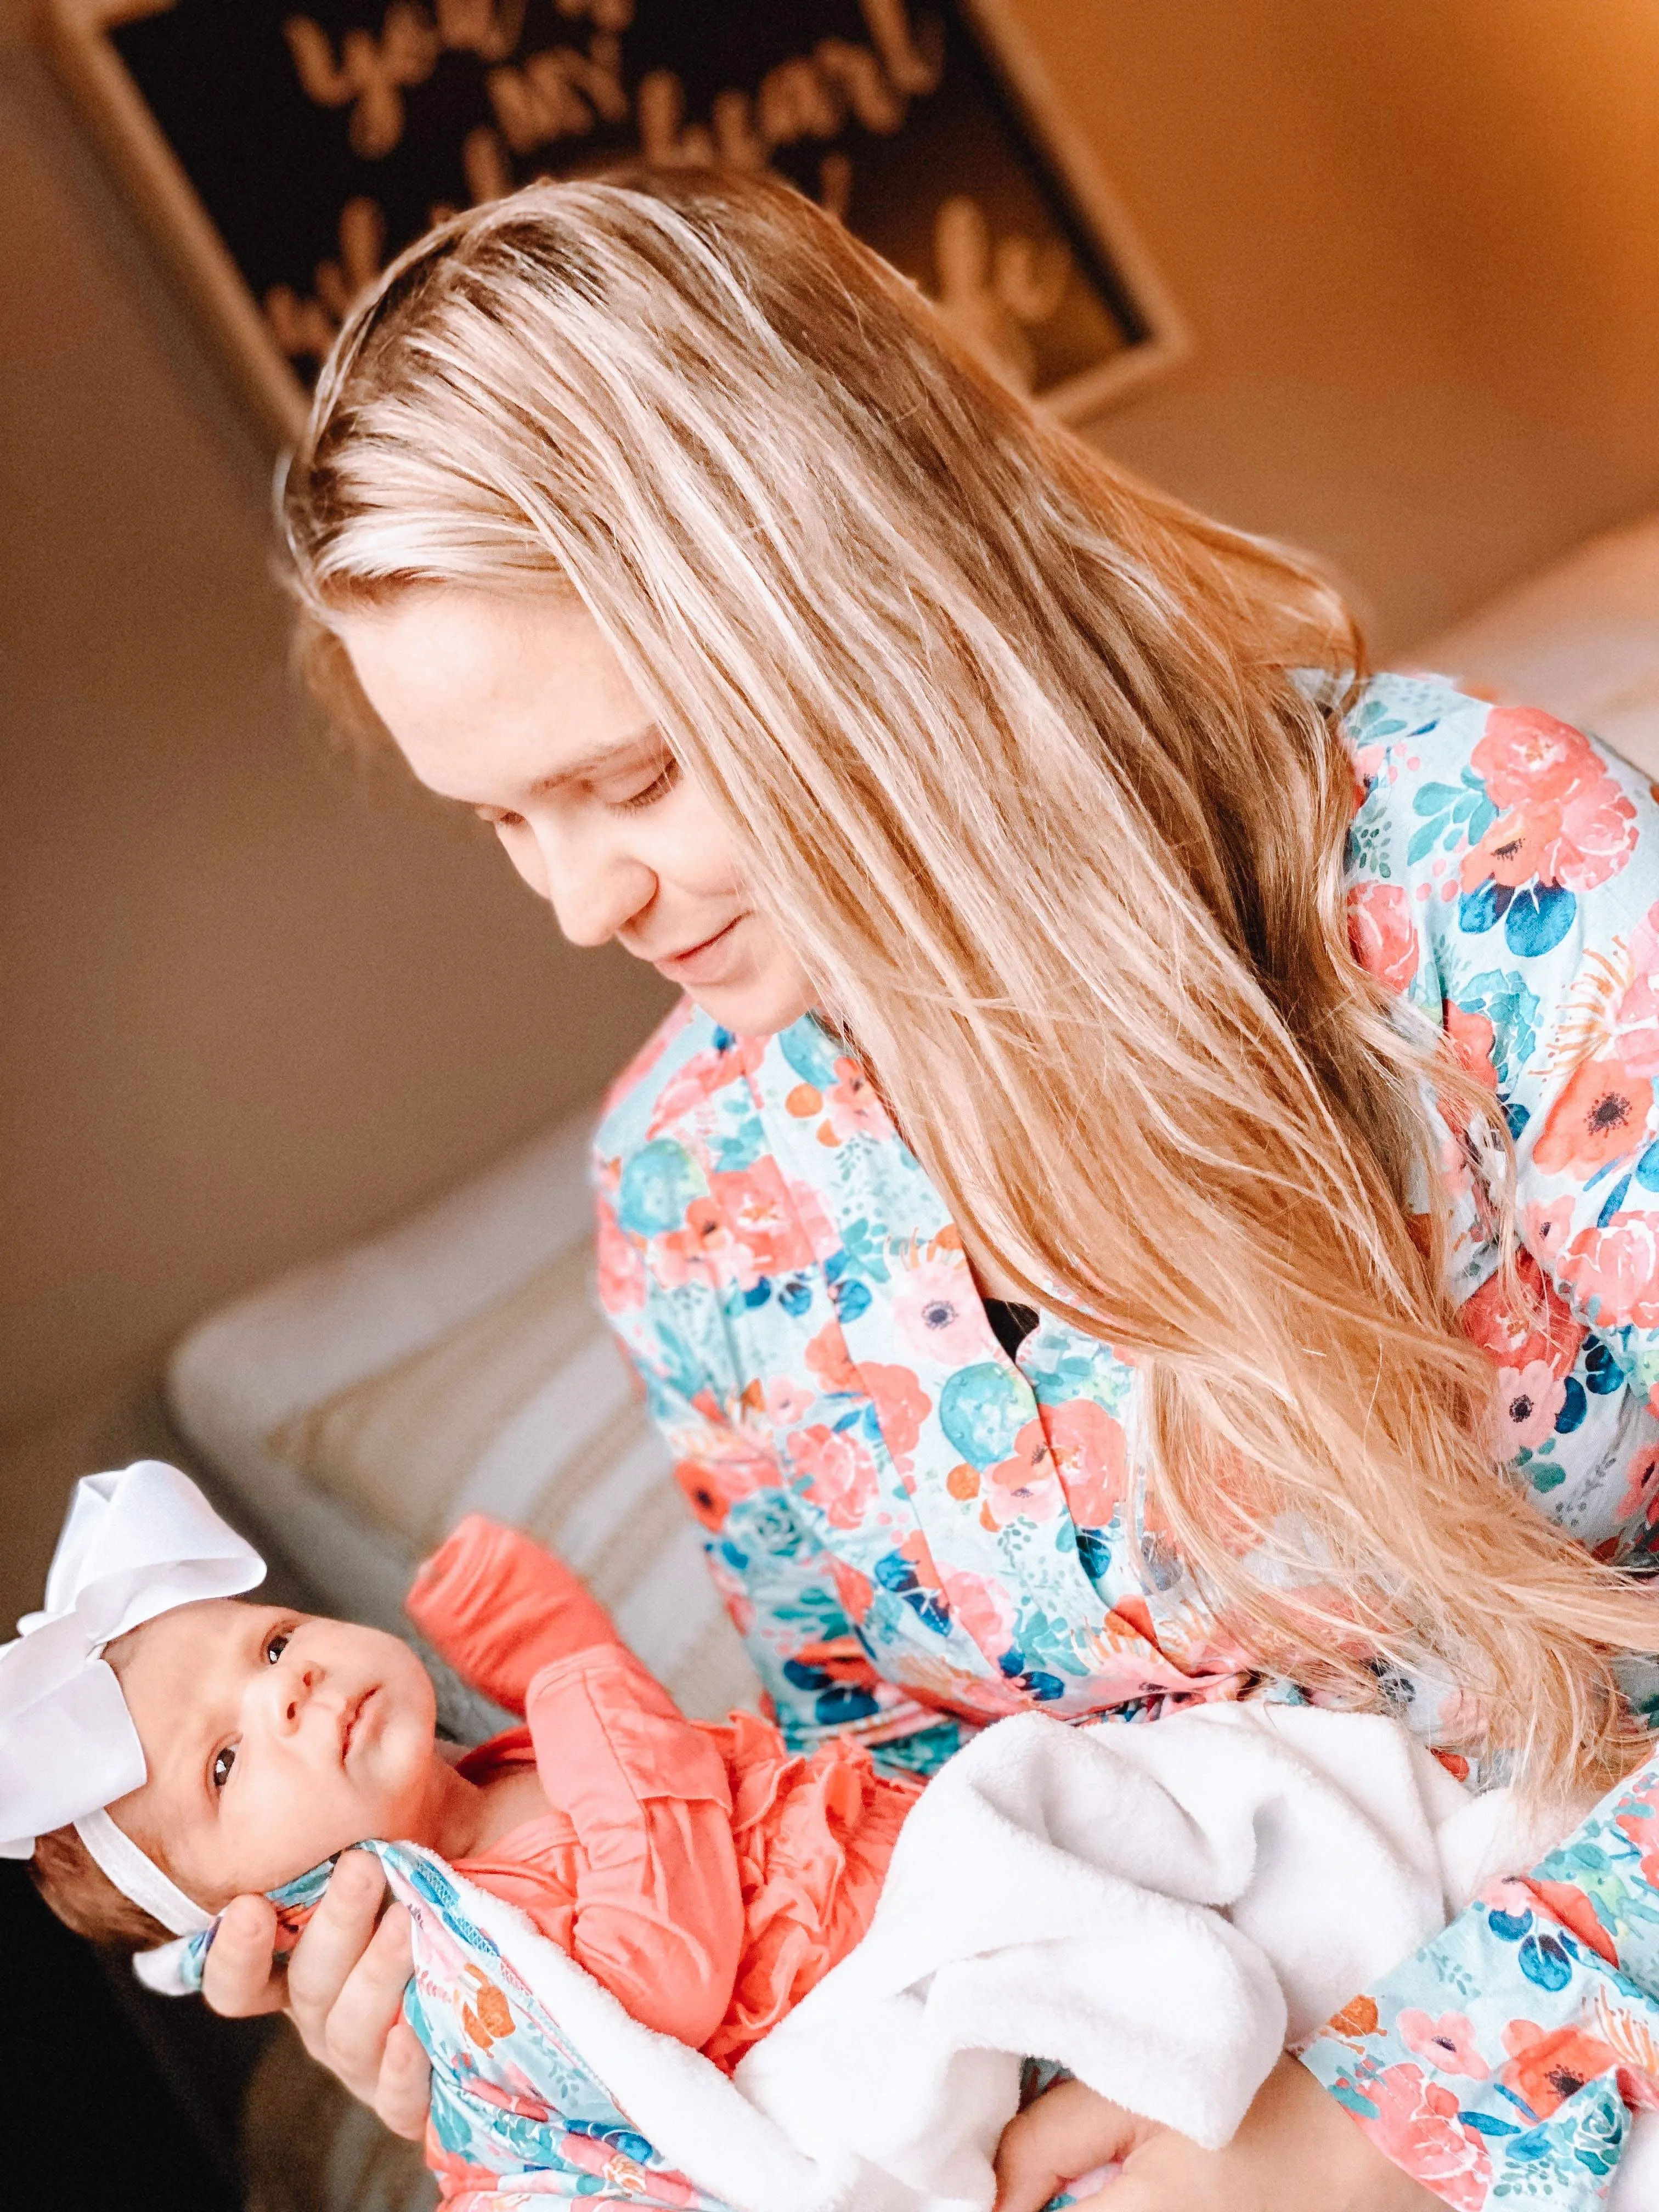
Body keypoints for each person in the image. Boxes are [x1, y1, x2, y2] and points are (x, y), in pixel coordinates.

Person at [205, 163, 1659, 2208]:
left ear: (875, 607)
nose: (575, 899)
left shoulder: (1469, 871)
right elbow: (876, 1840)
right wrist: (545, 2032)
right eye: (499, 823)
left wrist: (1380, 2129)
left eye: (628, 781)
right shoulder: (695, 1197)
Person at [10, 1464, 920, 2195]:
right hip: (865, 2083)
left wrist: (548, 1692)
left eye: (273, 1643)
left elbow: (690, 1812)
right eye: (222, 1763)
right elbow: (660, 1973)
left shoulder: (503, 1777)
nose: (285, 1689)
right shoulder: (455, 1953)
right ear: (279, 1916)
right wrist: (563, 1658)